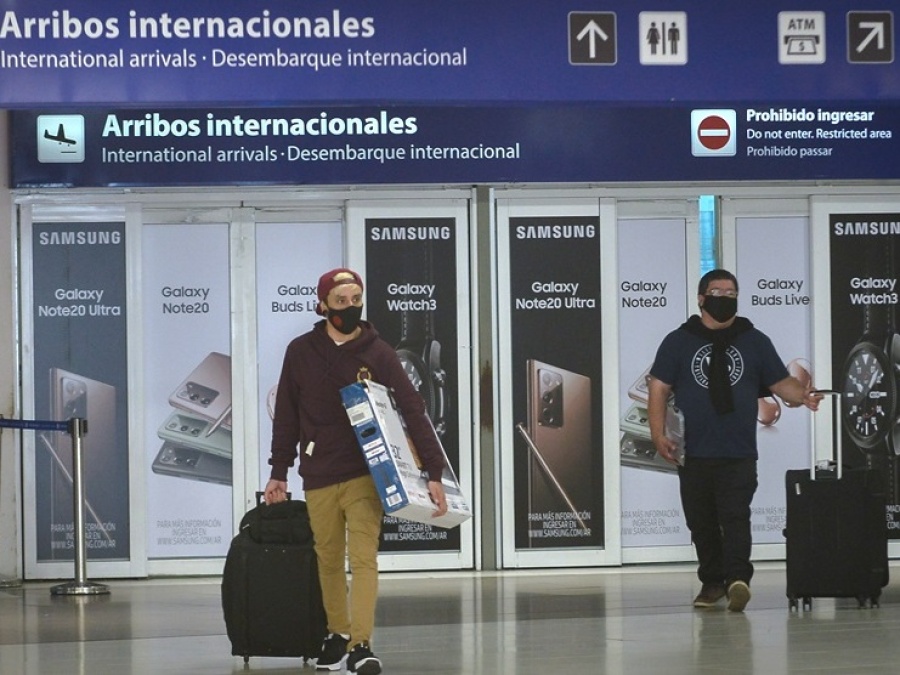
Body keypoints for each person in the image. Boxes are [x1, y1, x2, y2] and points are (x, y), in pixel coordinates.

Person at [264, 267, 448, 675]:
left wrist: (434, 472)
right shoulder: (300, 351)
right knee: (328, 558)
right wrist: (279, 471)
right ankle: (337, 634)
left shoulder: (378, 352)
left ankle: (361, 645)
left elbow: (413, 408)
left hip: (367, 473)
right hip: (318, 474)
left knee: (363, 558)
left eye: (356, 300)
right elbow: (287, 416)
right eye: (341, 301)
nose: (350, 307)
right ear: (322, 305)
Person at [647, 269, 821, 612]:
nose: (724, 299)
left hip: (738, 449)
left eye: (731, 294)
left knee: (736, 515)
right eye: (717, 292)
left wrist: (803, 396)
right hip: (692, 450)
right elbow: (658, 389)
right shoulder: (678, 341)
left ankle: (738, 580)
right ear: (701, 298)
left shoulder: (754, 340)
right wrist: (657, 434)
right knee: (701, 522)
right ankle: (713, 583)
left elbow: (780, 383)